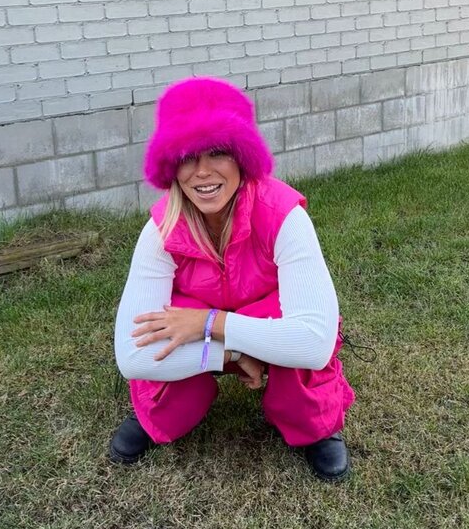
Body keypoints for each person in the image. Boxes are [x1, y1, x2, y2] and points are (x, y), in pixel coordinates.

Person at [109, 76, 356, 481]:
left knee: (299, 340)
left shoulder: (284, 215)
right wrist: (232, 353)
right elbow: (131, 357)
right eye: (187, 156)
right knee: (162, 331)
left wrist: (212, 324)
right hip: (205, 323)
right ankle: (155, 412)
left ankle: (317, 425)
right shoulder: (160, 229)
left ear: (242, 156)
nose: (202, 172)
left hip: (260, 312)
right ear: (171, 166)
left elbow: (314, 342)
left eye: (219, 152)